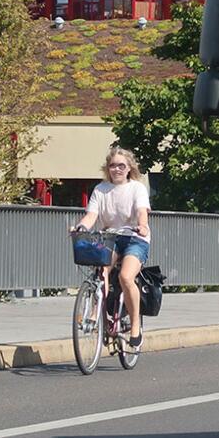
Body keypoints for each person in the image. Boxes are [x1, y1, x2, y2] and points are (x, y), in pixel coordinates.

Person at [71, 145, 151, 350]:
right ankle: (96, 313)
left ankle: (135, 326)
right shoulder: (100, 189)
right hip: (111, 237)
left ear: (129, 168)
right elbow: (91, 216)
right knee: (101, 272)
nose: (117, 169)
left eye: (121, 166)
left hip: (135, 238)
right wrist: (81, 227)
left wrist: (142, 225)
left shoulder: (136, 188)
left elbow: (142, 212)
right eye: (113, 165)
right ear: (108, 168)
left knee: (126, 277)